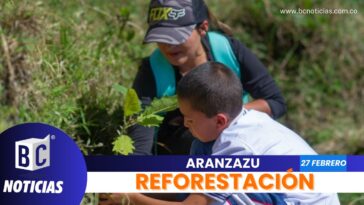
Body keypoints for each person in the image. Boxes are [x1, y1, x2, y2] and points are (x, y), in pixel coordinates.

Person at [101, 62, 340, 205]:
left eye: (191, 119)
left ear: (220, 120)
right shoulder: (229, 127)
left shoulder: (238, 147)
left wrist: (130, 198)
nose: (185, 124)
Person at [130, 0, 286, 155]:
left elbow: (275, 102)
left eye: (177, 37)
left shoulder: (228, 50)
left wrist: (225, 117)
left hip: (240, 134)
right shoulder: (152, 71)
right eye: (162, 37)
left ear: (203, 28)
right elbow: (140, 142)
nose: (168, 45)